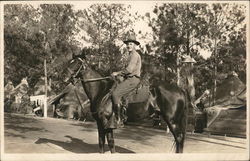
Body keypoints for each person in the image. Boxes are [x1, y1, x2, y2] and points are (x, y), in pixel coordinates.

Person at [111, 31, 141, 126]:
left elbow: (129, 70)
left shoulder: (135, 55)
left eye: (131, 44)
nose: (128, 46)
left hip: (133, 80)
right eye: (128, 44)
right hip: (129, 79)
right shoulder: (130, 55)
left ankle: (119, 119)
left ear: (135, 45)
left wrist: (117, 73)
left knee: (115, 94)